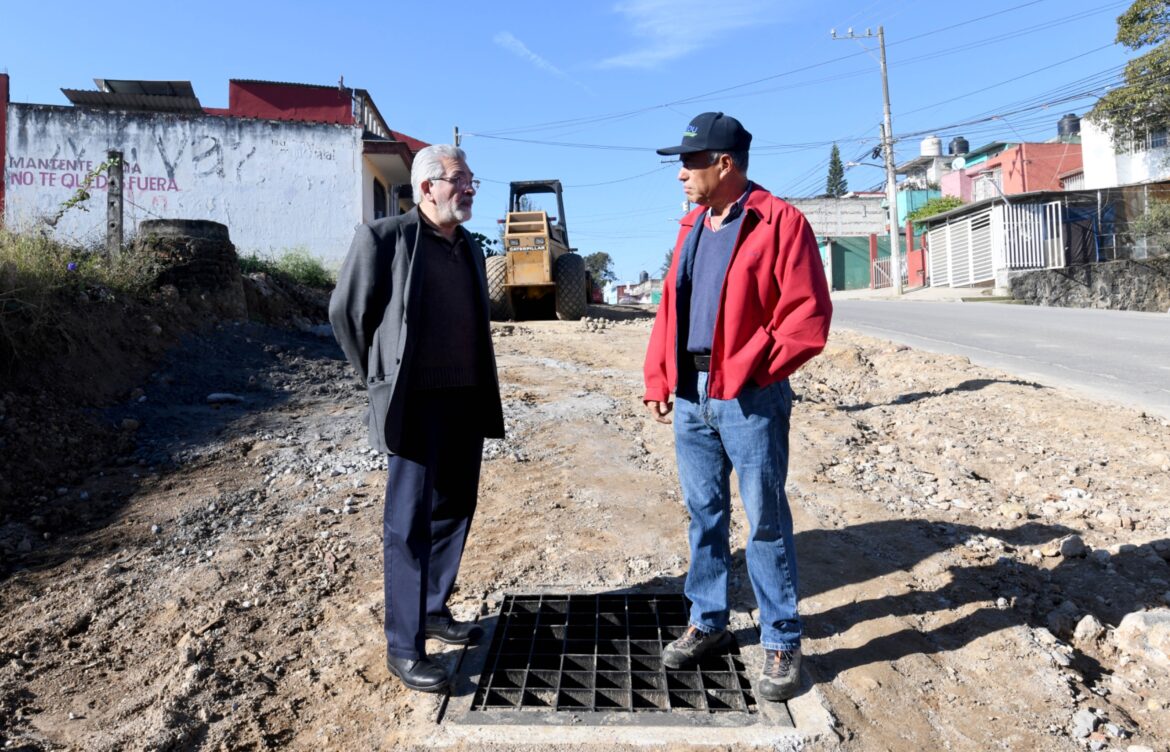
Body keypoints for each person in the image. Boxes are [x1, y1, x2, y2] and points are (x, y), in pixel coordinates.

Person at [643, 112, 832, 702]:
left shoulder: (780, 223)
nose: (681, 173)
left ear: (725, 164)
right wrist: (660, 376)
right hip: (694, 395)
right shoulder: (692, 226)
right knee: (705, 513)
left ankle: (780, 637)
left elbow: (807, 318)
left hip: (749, 396)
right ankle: (709, 620)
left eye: (691, 162)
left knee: (765, 519)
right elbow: (672, 307)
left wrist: (753, 370)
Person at [329, 144, 504, 693]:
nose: (469, 187)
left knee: (455, 507)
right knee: (406, 524)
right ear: (427, 187)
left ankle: (432, 608)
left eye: (472, 178)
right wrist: (379, 379)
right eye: (459, 179)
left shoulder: (472, 248)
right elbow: (347, 315)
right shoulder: (383, 240)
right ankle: (403, 647)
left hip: (465, 399)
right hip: (416, 404)